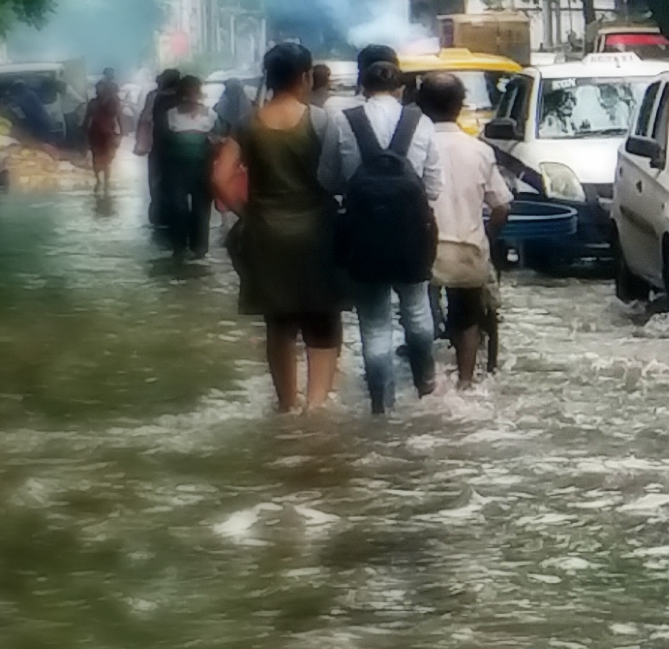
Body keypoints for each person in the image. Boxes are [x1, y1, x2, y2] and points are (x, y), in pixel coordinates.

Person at [215, 40, 345, 413]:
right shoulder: (321, 120)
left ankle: (287, 404)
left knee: (279, 323)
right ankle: (315, 409)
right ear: (305, 77)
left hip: (266, 234)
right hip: (318, 233)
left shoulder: (248, 124)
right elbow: (336, 177)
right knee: (322, 322)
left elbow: (221, 178)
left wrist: (251, 213)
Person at [317, 43, 442, 414]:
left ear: (362, 86)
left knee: (374, 324)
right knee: (417, 310)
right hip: (412, 235)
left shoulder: (343, 120)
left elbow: (327, 180)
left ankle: (381, 407)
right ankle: (426, 387)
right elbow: (434, 187)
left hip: (363, 235)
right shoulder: (421, 122)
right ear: (401, 89)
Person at [415, 70, 507, 391]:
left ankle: (425, 383)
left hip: (422, 251)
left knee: (418, 316)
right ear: (460, 106)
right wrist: (488, 235)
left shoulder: (412, 149)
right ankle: (465, 384)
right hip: (468, 249)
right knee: (467, 317)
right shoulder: (479, 150)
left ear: (420, 105)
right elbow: (501, 206)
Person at [148, 72, 217, 259]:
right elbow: (161, 144)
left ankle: (200, 250)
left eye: (194, 93)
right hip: (176, 171)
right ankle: (179, 248)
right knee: (178, 209)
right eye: (187, 93)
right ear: (180, 95)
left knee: (201, 211)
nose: (191, 98)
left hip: (203, 170)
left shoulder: (211, 116)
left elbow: (221, 141)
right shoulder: (170, 116)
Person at [82, 73, 126, 206]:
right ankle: (98, 180)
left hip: (108, 134)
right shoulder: (93, 103)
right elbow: (87, 118)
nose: (98, 91)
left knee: (107, 159)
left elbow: (119, 117)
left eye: (100, 89)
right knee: (96, 159)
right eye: (97, 89)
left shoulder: (114, 102)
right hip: (95, 134)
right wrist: (83, 131)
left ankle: (106, 181)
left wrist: (121, 132)